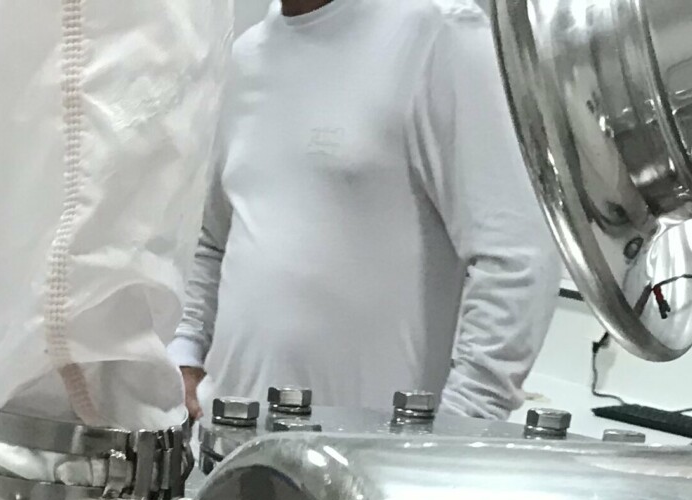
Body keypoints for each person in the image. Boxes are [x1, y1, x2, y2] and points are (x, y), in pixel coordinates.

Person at [170, 0, 560, 424]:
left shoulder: (439, 34)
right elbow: (213, 240)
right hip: (226, 439)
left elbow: (520, 257)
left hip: (368, 455)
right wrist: (186, 351)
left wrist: (460, 426)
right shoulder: (245, 57)